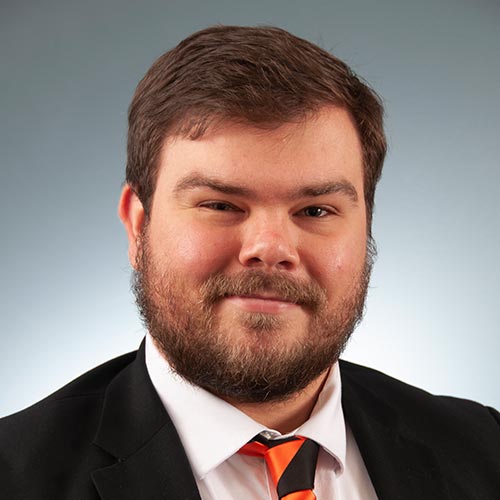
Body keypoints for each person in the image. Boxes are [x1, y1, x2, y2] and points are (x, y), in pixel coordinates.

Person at [1, 25, 498, 500]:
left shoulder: (484, 450)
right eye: (220, 205)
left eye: (316, 210)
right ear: (137, 224)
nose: (270, 247)